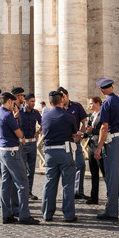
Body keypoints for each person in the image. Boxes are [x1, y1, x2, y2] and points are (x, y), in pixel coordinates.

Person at [0, 91, 40, 225]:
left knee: (5, 184)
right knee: (23, 183)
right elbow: (19, 133)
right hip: (12, 152)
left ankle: (6, 215)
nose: (14, 105)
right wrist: (15, 120)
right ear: (9, 101)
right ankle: (24, 215)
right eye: (13, 102)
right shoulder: (8, 116)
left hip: (1, 151)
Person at [94, 78, 119, 221]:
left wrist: (99, 147)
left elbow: (104, 127)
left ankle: (111, 211)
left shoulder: (107, 104)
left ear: (101, 90)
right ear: (112, 87)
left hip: (114, 141)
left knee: (113, 176)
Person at [41, 90, 78, 222]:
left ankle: (47, 213)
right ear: (62, 100)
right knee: (68, 184)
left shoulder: (44, 117)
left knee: (49, 183)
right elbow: (74, 135)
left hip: (50, 153)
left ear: (50, 102)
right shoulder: (69, 117)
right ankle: (68, 215)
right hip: (64, 151)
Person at [57, 86, 88, 199]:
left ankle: (78, 191)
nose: (62, 99)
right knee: (65, 167)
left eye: (63, 97)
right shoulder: (58, 108)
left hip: (75, 141)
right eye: (59, 97)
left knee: (80, 165)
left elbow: (85, 122)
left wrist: (80, 134)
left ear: (67, 95)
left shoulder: (77, 106)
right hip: (63, 142)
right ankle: (68, 191)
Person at [18, 93, 42, 200]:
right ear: (26, 102)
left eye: (34, 101)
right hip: (22, 144)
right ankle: (22, 192)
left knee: (31, 169)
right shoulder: (19, 113)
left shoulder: (36, 113)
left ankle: (29, 192)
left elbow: (43, 123)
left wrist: (38, 131)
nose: (33, 103)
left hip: (32, 143)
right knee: (22, 169)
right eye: (31, 101)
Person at [84, 97, 105, 204]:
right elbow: (90, 131)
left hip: (99, 146)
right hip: (91, 145)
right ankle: (94, 197)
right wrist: (83, 134)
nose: (90, 106)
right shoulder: (91, 115)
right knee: (94, 173)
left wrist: (93, 130)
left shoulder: (103, 114)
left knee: (105, 172)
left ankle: (110, 197)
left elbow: (104, 130)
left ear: (97, 103)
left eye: (91, 104)